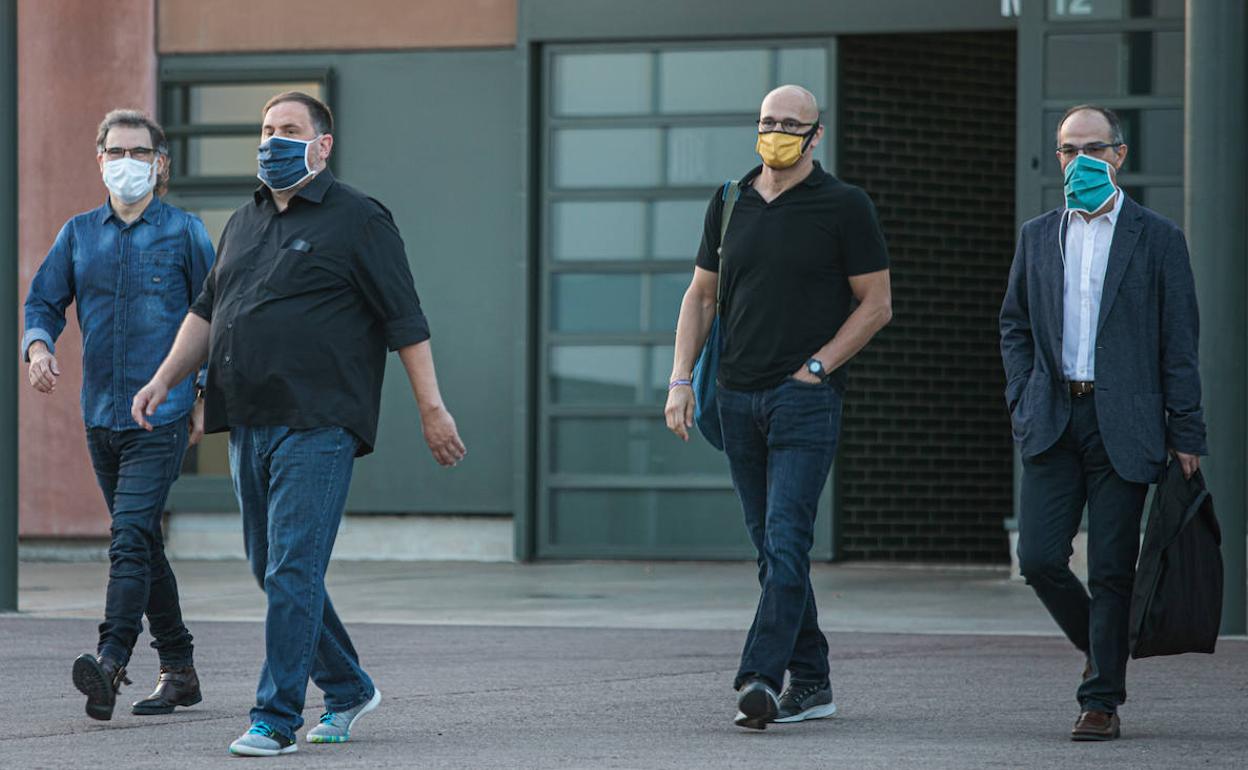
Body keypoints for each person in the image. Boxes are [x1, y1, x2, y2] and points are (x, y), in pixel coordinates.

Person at [131, 92, 466, 757]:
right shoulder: (244, 221)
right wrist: (165, 377)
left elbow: (406, 320)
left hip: (321, 420)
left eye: (289, 130)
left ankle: (275, 716)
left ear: (323, 145)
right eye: (265, 129)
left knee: (290, 568)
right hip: (248, 416)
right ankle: (346, 686)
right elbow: (206, 311)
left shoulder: (360, 220)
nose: (273, 140)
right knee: (273, 567)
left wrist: (433, 408)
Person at [664, 85, 892, 730]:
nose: (777, 132)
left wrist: (817, 369)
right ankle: (814, 682)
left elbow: (876, 304)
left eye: (791, 124)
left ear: (816, 135)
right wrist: (680, 379)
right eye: (768, 122)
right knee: (771, 549)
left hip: (804, 402)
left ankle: (762, 677)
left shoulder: (844, 207)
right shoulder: (730, 201)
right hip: (736, 397)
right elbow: (701, 297)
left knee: (788, 539)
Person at [999, 104, 1205, 741]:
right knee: (1038, 558)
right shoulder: (1038, 235)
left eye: (1092, 148)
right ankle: (1102, 646)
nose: (1078, 160)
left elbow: (1179, 342)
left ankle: (1101, 700)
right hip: (1054, 418)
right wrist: (1021, 397)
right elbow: (1014, 325)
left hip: (1128, 422)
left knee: (1113, 568)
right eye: (1067, 149)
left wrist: (1187, 432)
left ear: (1119, 155)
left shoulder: (1158, 237)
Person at [22, 109, 213, 721]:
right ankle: (179, 670)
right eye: (115, 150)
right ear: (99, 158)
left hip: (163, 415)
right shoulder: (78, 234)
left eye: (139, 151)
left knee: (128, 537)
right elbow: (43, 301)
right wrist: (38, 346)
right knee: (144, 543)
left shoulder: (186, 232)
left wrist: (204, 395)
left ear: (160, 163)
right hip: (99, 416)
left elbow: (217, 316)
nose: (126, 162)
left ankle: (109, 662)